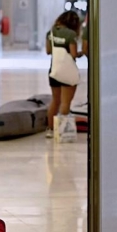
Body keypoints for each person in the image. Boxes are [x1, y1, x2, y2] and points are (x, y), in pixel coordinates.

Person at [45, 10, 82, 139]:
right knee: (65, 103)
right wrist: (81, 53)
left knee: (55, 101)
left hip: (54, 71)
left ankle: (50, 130)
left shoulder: (51, 32)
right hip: (67, 72)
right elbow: (73, 55)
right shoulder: (71, 34)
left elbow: (48, 51)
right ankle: (61, 132)